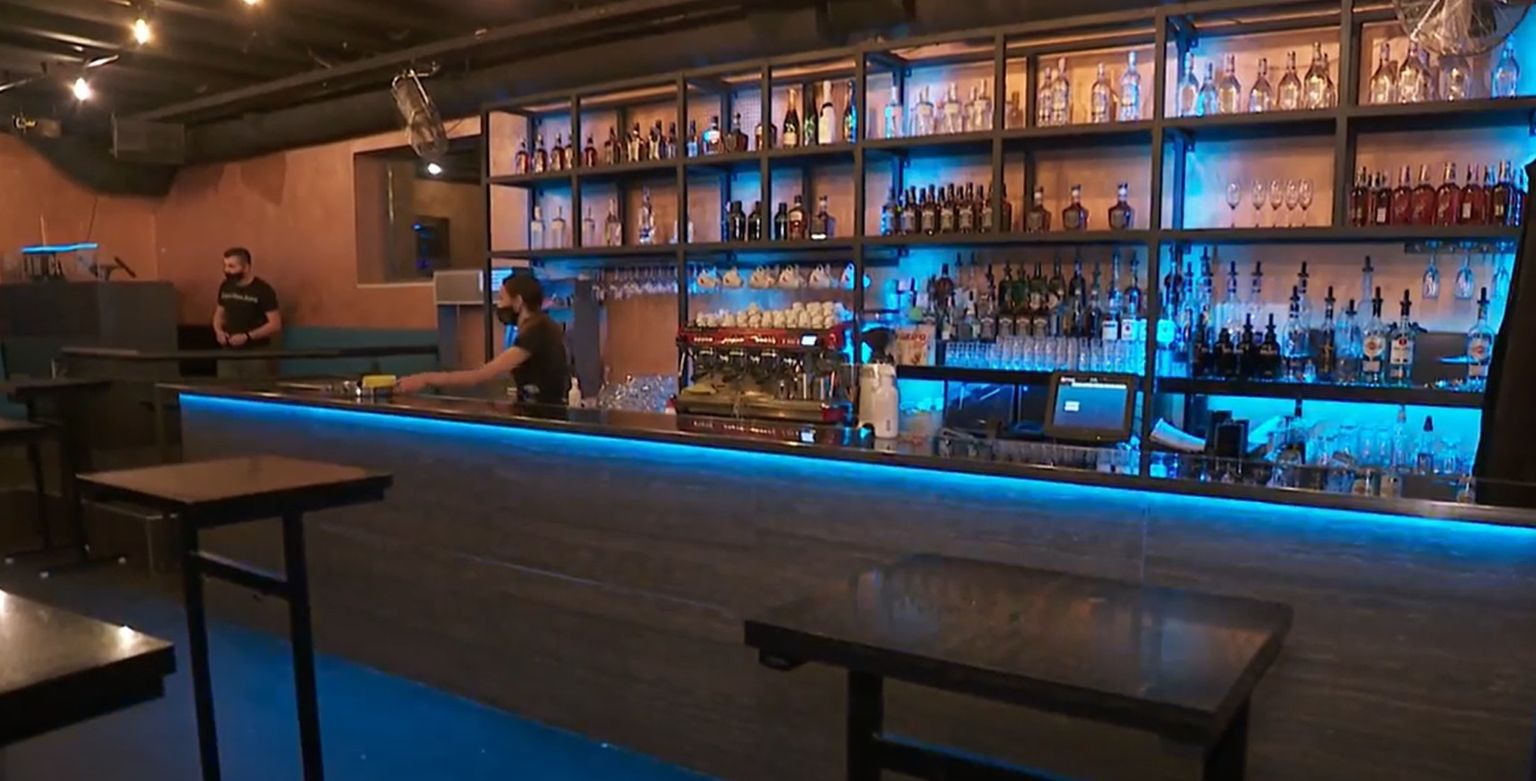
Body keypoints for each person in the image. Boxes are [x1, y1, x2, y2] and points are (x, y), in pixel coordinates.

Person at [397, 273, 570, 403]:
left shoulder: (536, 331)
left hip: (543, 416)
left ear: (518, 301)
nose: (499, 305)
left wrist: (424, 379)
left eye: (502, 298)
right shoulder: (540, 326)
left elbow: (481, 375)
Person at [214, 247, 282, 379]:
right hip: (228, 352)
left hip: (254, 354)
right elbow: (219, 314)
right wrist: (218, 331)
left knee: (254, 388)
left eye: (232, 266)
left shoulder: (263, 290)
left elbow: (275, 324)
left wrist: (247, 336)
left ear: (246, 267)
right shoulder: (226, 286)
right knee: (226, 388)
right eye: (225, 266)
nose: (227, 270)